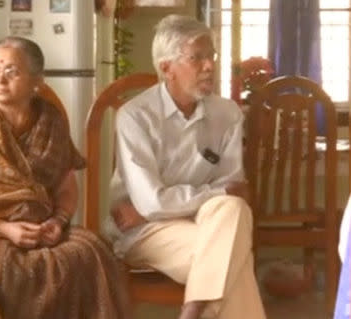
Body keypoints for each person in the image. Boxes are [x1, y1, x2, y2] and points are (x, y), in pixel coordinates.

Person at [107, 15, 266, 319]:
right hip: (144, 231)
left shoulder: (227, 113)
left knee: (232, 215)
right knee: (234, 257)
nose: (209, 65)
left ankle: (191, 311)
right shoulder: (135, 117)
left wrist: (161, 203)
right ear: (166, 68)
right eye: (197, 58)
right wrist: (211, 192)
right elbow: (222, 190)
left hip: (209, 223)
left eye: (212, 56)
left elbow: (230, 199)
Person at [0, 36, 129, 319]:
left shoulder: (50, 119)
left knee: (91, 253)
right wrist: (4, 228)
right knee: (9, 267)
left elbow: (66, 184)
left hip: (45, 225)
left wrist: (59, 220)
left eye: (11, 71)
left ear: (36, 81)